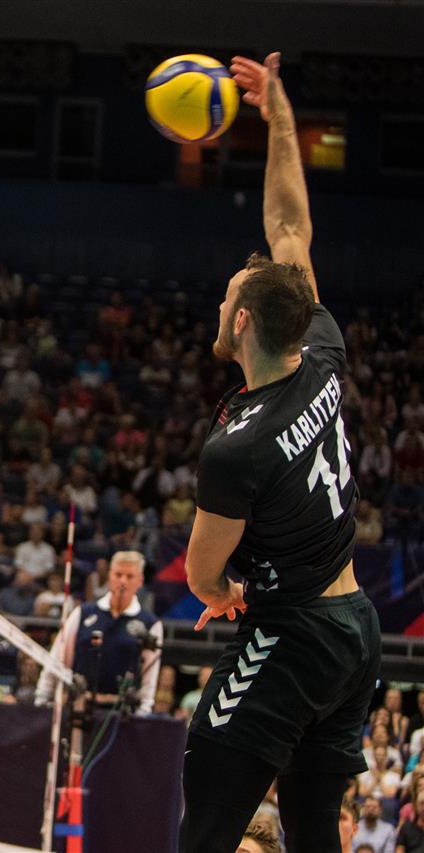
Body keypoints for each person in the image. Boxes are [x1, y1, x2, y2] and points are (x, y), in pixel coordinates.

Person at [179, 53, 380, 853]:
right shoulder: (320, 347)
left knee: (208, 815)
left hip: (296, 635)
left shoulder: (236, 447)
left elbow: (202, 577)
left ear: (242, 324)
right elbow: (291, 226)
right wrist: (279, 114)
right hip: (356, 627)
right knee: (312, 829)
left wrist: (227, 591)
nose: (220, 299)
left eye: (228, 295)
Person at [34, 550, 163, 714]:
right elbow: (57, 658)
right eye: (118, 574)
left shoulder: (150, 623)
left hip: (122, 712)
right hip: (78, 706)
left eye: (130, 576)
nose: (123, 581)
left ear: (140, 581)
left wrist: (144, 710)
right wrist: (42, 698)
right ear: (110, 576)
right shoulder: (83, 613)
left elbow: (150, 675)